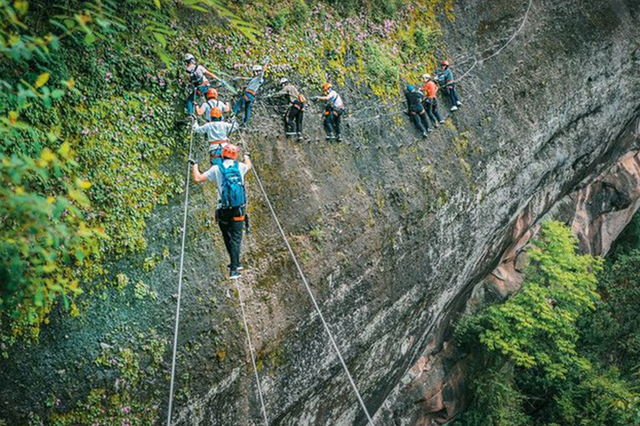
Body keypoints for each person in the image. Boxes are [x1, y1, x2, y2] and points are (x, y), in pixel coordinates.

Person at [190, 144, 252, 279]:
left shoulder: (216, 168)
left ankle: (235, 264)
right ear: (235, 156)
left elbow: (197, 178)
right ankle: (235, 268)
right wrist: (247, 156)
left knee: (227, 235)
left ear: (222, 155)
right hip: (238, 209)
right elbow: (249, 165)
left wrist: (194, 165)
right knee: (236, 238)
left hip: (223, 209)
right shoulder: (240, 167)